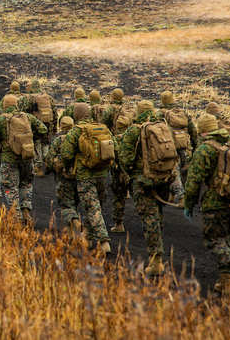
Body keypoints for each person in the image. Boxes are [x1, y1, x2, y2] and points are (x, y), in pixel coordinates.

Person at [184, 113, 230, 294]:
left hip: (216, 203)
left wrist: (188, 204)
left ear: (202, 131)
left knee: (213, 240)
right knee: (226, 238)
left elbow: (193, 181)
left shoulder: (205, 149)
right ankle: (225, 282)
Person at [119, 100, 179, 277]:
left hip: (143, 181)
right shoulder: (163, 127)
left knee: (149, 218)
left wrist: (133, 173)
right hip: (163, 178)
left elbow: (125, 158)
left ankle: (156, 261)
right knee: (158, 214)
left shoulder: (134, 130)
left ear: (138, 111)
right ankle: (158, 249)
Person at [0, 94, 47, 223]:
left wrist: (0, 138)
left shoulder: (1, 119)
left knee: (10, 187)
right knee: (26, 185)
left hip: (9, 160)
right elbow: (43, 129)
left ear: (4, 105)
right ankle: (26, 211)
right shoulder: (27, 117)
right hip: (27, 158)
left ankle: (16, 216)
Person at [61, 114, 115, 254]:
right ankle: (89, 238)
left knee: (92, 208)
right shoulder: (103, 128)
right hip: (102, 174)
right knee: (98, 206)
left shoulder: (76, 130)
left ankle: (104, 242)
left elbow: (66, 154)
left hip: (85, 176)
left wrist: (69, 166)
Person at [102, 88, 134, 233]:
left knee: (117, 188)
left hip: (116, 144)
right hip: (131, 146)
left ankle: (119, 223)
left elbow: (104, 125)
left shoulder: (110, 110)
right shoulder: (129, 110)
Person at [19, 79, 57, 177]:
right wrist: (54, 129)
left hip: (35, 127)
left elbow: (23, 113)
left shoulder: (28, 98)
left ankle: (38, 167)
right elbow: (55, 113)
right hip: (48, 126)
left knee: (36, 145)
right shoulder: (48, 98)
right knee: (46, 145)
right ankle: (48, 164)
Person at [45, 116, 77, 231]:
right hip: (79, 175)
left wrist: (47, 169)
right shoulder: (79, 137)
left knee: (66, 203)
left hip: (63, 177)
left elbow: (49, 159)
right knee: (75, 201)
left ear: (61, 125)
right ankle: (70, 228)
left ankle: (74, 221)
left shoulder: (58, 139)